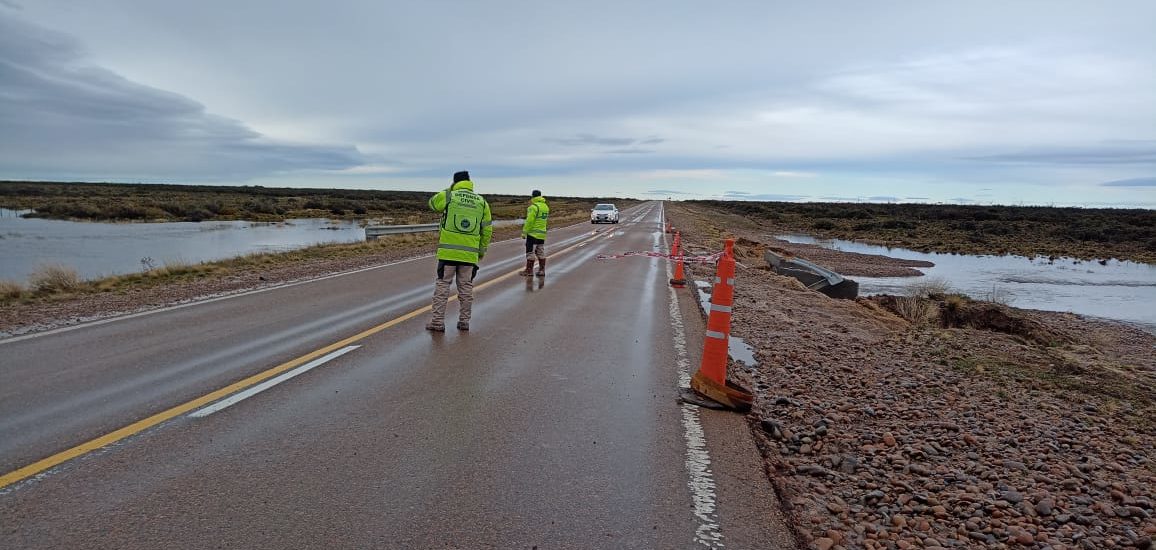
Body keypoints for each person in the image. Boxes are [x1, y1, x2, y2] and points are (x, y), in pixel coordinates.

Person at [426, 170, 492, 332]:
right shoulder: (482, 202)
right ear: (469, 182)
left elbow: (433, 204)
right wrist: (481, 251)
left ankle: (437, 322)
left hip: (448, 254)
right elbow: (487, 230)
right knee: (466, 288)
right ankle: (464, 322)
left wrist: (450, 189)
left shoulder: (450, 196)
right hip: (469, 254)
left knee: (443, 286)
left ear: (455, 182)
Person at [520, 189, 549, 276]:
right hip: (542, 234)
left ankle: (529, 271)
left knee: (530, 251)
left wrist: (524, 232)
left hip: (532, 234)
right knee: (540, 251)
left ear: (533, 196)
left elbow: (529, 221)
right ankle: (542, 270)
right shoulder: (545, 207)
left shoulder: (533, 207)